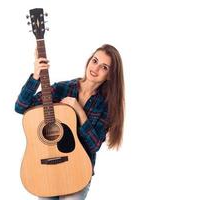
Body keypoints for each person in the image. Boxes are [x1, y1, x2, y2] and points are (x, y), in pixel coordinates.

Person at [15, 44, 125, 200]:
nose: (96, 68)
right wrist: (36, 76)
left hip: (78, 170)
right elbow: (21, 107)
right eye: (95, 61)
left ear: (110, 75)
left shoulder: (106, 105)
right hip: (44, 166)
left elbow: (94, 145)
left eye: (104, 67)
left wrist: (79, 111)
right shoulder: (63, 88)